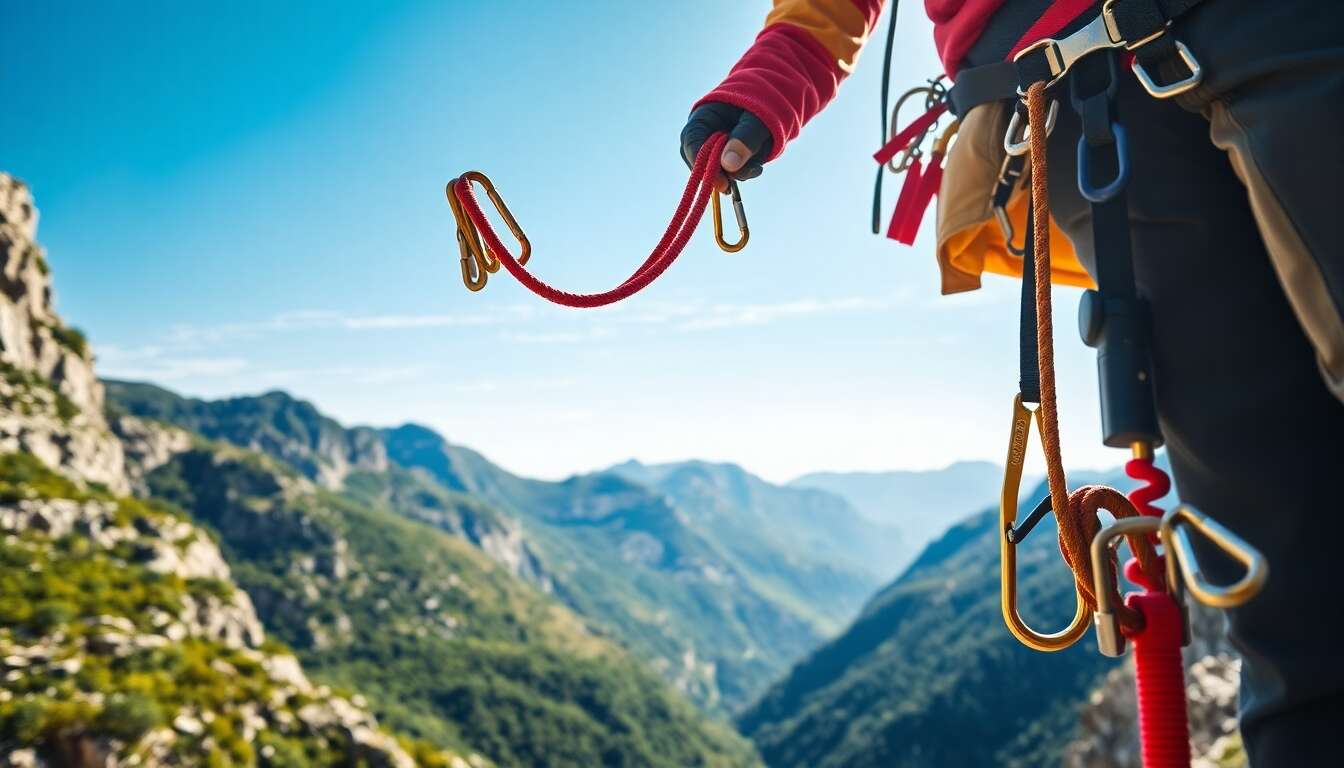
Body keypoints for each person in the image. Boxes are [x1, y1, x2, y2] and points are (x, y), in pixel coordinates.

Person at [681, 1, 1344, 764]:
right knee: (1267, 544)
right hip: (1072, 92)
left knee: (1270, 546)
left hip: (1140, 66)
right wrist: (770, 81)